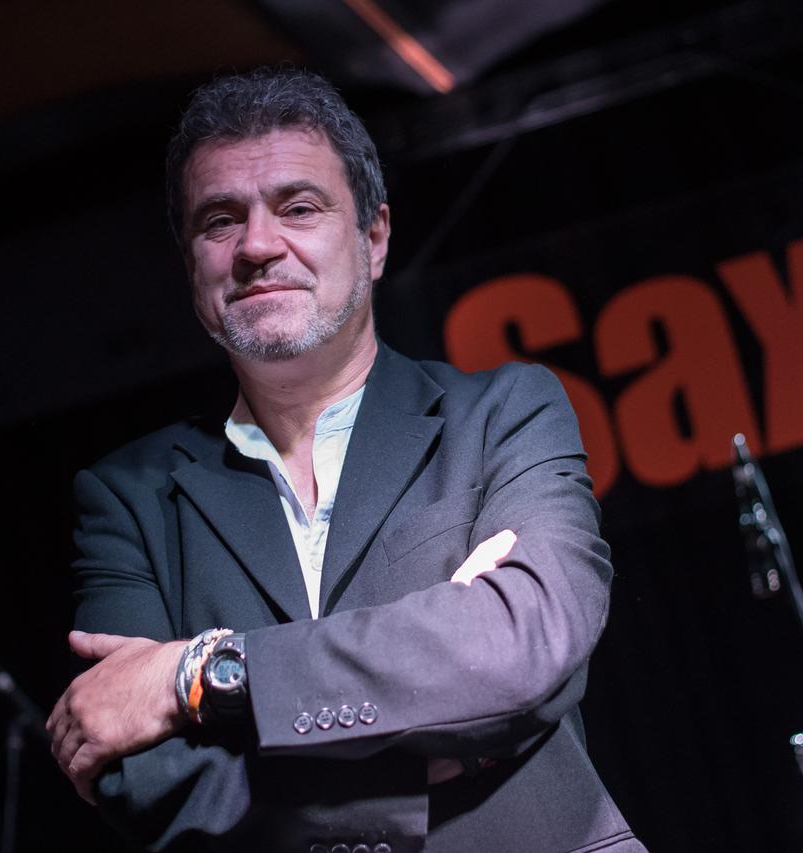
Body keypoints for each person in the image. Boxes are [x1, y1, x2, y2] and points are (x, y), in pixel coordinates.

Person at [46, 67, 644, 853]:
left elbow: (518, 646)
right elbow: (140, 774)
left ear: (374, 237)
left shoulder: (505, 413)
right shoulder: (126, 498)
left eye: (298, 207)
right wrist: (427, 748)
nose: (258, 246)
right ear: (192, 265)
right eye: (220, 220)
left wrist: (199, 673)